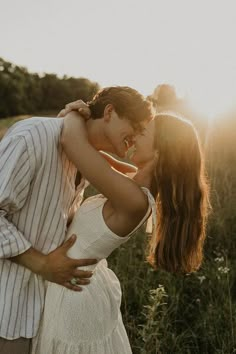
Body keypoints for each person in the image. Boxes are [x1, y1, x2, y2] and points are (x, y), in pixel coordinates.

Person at [32, 108, 210, 354]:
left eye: (143, 132)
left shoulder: (133, 199)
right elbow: (93, 153)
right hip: (74, 282)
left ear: (159, 151)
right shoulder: (133, 181)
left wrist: (76, 112)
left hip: (73, 295)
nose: (134, 136)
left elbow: (71, 141)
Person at [0, 86, 152, 354]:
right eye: (135, 126)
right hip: (10, 308)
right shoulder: (33, 137)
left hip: (48, 309)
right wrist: (42, 264)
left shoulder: (85, 156)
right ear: (109, 111)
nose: (137, 136)